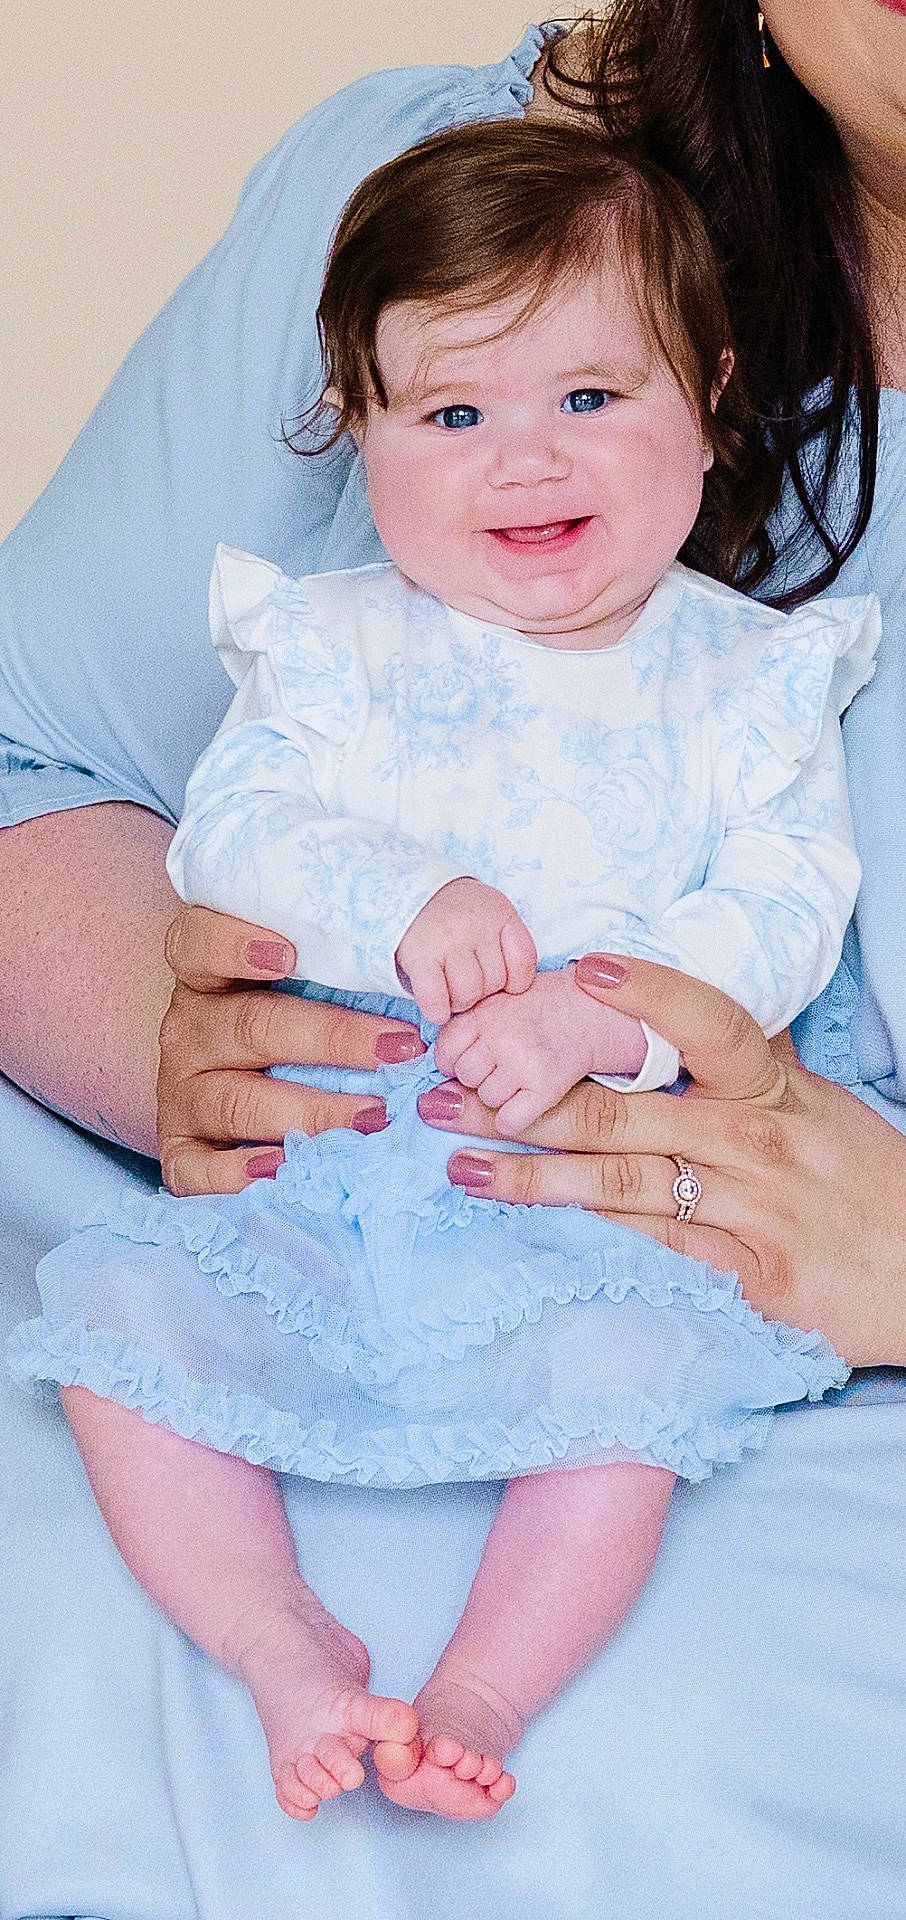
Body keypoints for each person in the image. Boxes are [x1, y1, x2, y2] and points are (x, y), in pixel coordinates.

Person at [1, 9, 905, 1914]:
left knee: (628, 1492)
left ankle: (480, 1681)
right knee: (118, 1366)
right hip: (332, 1191)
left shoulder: (740, 679)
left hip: (661, 1276)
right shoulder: (340, 620)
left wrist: (624, 1015)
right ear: (361, 417)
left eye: (589, 401)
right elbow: (192, 811)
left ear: (705, 397)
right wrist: (258, 978)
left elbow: (775, 894)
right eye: (454, 415)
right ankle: (280, 1647)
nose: (521, 464)